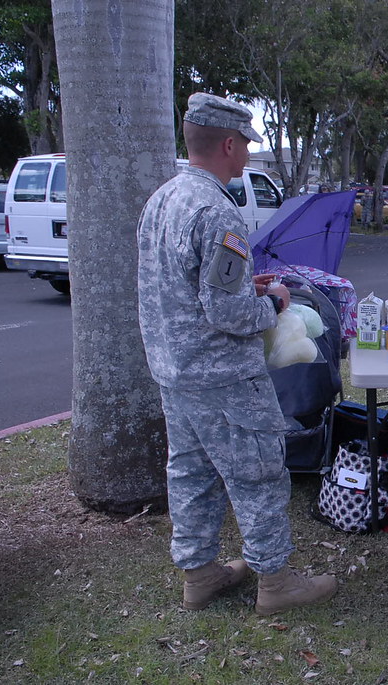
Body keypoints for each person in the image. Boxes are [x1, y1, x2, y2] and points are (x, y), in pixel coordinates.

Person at [137, 92, 338, 615]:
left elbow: (181, 288)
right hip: (223, 375)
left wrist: (245, 287)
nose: (248, 153)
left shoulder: (164, 199)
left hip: (175, 371)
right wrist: (273, 302)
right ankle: (276, 582)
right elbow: (227, 314)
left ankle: (199, 574)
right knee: (259, 472)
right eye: (245, 143)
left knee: (191, 473)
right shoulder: (217, 213)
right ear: (228, 144)